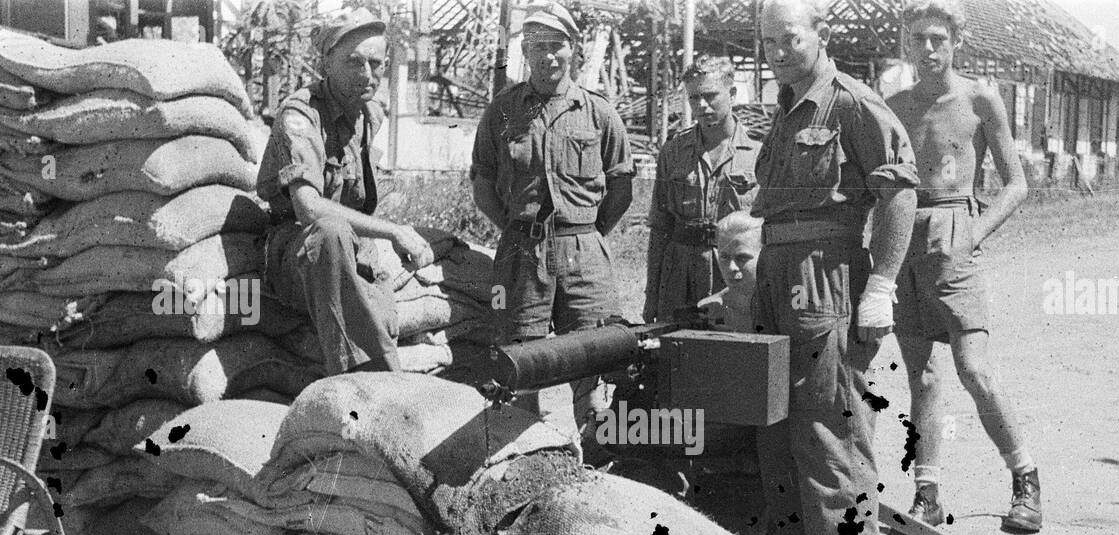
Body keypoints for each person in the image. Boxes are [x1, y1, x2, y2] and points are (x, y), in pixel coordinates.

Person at [751, 0, 920, 535]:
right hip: (776, 275)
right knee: (774, 427)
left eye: (789, 39)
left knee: (830, 430)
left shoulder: (849, 100)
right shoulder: (784, 108)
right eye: (768, 42)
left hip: (825, 277)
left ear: (820, 36)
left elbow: (898, 189)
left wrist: (883, 285)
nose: (776, 53)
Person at [887, 0, 1040, 532]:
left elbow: (1017, 183)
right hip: (907, 238)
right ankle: (926, 496)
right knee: (923, 380)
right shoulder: (895, 105)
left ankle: (1025, 479)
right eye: (918, 40)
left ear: (955, 42)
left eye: (938, 39)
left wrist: (972, 231)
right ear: (906, 44)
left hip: (956, 236)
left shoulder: (980, 98)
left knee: (974, 370)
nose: (928, 50)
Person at [257, 9, 452, 374]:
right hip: (299, 252)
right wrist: (393, 231)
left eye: (376, 63)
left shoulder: (369, 115)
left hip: (353, 249)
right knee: (330, 233)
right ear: (327, 62)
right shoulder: (300, 114)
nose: (368, 74)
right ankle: (364, 379)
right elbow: (308, 208)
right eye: (354, 62)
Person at [470, 1, 634, 429]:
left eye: (557, 45)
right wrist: (514, 227)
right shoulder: (503, 110)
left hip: (583, 249)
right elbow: (483, 184)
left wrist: (589, 232)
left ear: (573, 48)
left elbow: (621, 186)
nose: (548, 56)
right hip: (522, 250)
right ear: (525, 51)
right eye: (537, 46)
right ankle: (526, 457)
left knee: (593, 356)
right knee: (521, 360)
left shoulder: (598, 112)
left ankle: (596, 458)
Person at [643, 56, 760, 324]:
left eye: (710, 96)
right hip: (679, 275)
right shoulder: (673, 152)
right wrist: (652, 296)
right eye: (694, 98)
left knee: (734, 351)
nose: (702, 106)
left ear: (732, 93)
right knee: (676, 353)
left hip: (733, 274)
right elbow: (660, 229)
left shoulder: (758, 154)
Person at [698, 210, 762, 333]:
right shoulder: (707, 311)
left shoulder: (780, 309)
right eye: (724, 257)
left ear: (763, 256)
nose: (731, 267)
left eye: (742, 258)